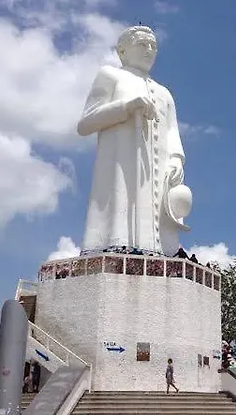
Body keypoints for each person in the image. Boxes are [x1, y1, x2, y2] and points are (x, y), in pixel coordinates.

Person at [77, 25, 192, 257]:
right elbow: (85, 123)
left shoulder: (164, 93)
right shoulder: (111, 75)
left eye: (153, 46)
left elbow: (172, 131)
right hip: (121, 167)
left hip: (158, 174)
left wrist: (176, 159)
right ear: (122, 51)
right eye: (142, 44)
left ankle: (161, 252)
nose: (149, 50)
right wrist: (126, 107)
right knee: (121, 214)